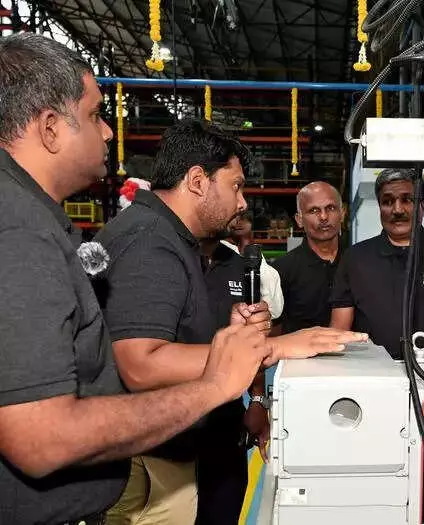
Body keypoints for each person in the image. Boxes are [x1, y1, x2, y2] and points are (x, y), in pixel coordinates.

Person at [0, 32, 272, 524]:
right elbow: (43, 438)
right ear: (50, 128)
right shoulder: (20, 228)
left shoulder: (36, 217)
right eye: (94, 115)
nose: (108, 132)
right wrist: (215, 384)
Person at [95, 119, 366, 523]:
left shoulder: (171, 239)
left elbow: (174, 337)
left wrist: (233, 336)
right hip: (150, 462)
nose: (241, 203)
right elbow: (140, 364)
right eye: (235, 186)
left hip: (180, 448)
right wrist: (272, 347)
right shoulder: (151, 242)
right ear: (198, 181)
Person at [330, 169, 424, 359]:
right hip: (371, 371)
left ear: (422, 207)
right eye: (388, 202)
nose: (397, 210)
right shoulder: (356, 259)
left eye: (407, 200)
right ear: (380, 207)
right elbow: (338, 333)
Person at [197, 232, 269, 525]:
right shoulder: (168, 259)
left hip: (225, 423)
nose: (239, 209)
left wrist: (258, 399)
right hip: (172, 429)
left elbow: (253, 339)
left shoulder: (240, 266)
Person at [272, 181, 344, 335]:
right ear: (299, 220)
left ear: (342, 213)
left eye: (330, 208)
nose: (323, 217)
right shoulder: (281, 271)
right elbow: (273, 332)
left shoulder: (358, 262)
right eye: (314, 210)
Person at [228, 211, 284, 319]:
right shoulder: (220, 255)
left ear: (251, 223)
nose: (239, 223)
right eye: (236, 219)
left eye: (244, 219)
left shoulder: (270, 272)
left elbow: (275, 311)